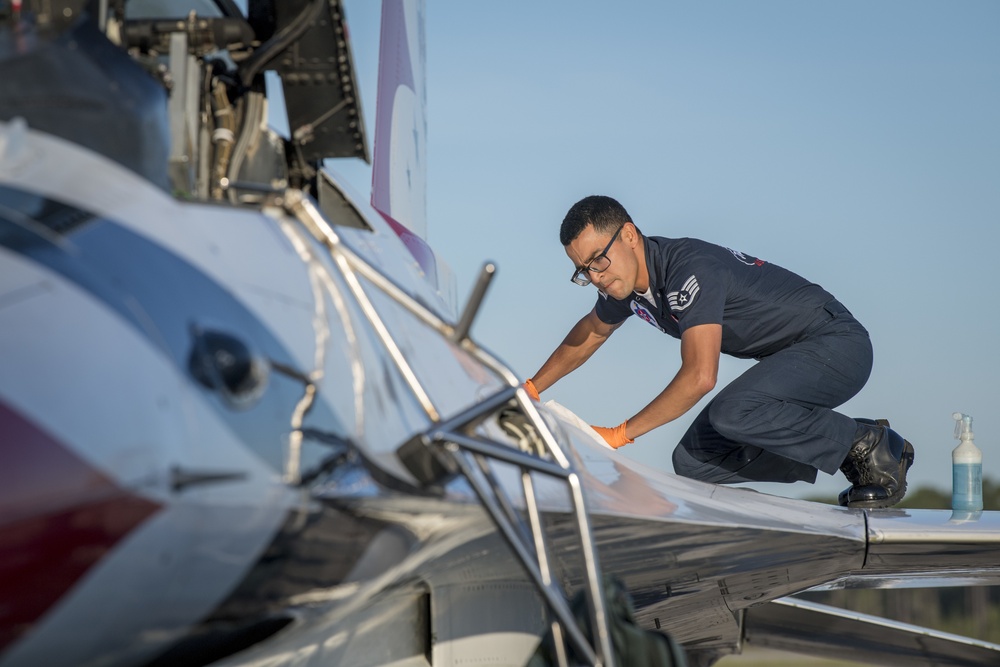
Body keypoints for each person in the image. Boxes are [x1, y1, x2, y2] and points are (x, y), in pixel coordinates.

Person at [524, 195, 914, 508]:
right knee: (695, 461)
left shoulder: (688, 270)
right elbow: (590, 332)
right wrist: (530, 389)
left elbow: (700, 377)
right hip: (791, 356)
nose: (595, 277)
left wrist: (619, 435)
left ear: (629, 235)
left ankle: (868, 445)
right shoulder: (625, 286)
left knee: (734, 412)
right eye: (583, 270)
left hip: (836, 343)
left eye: (598, 260)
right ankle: (847, 450)